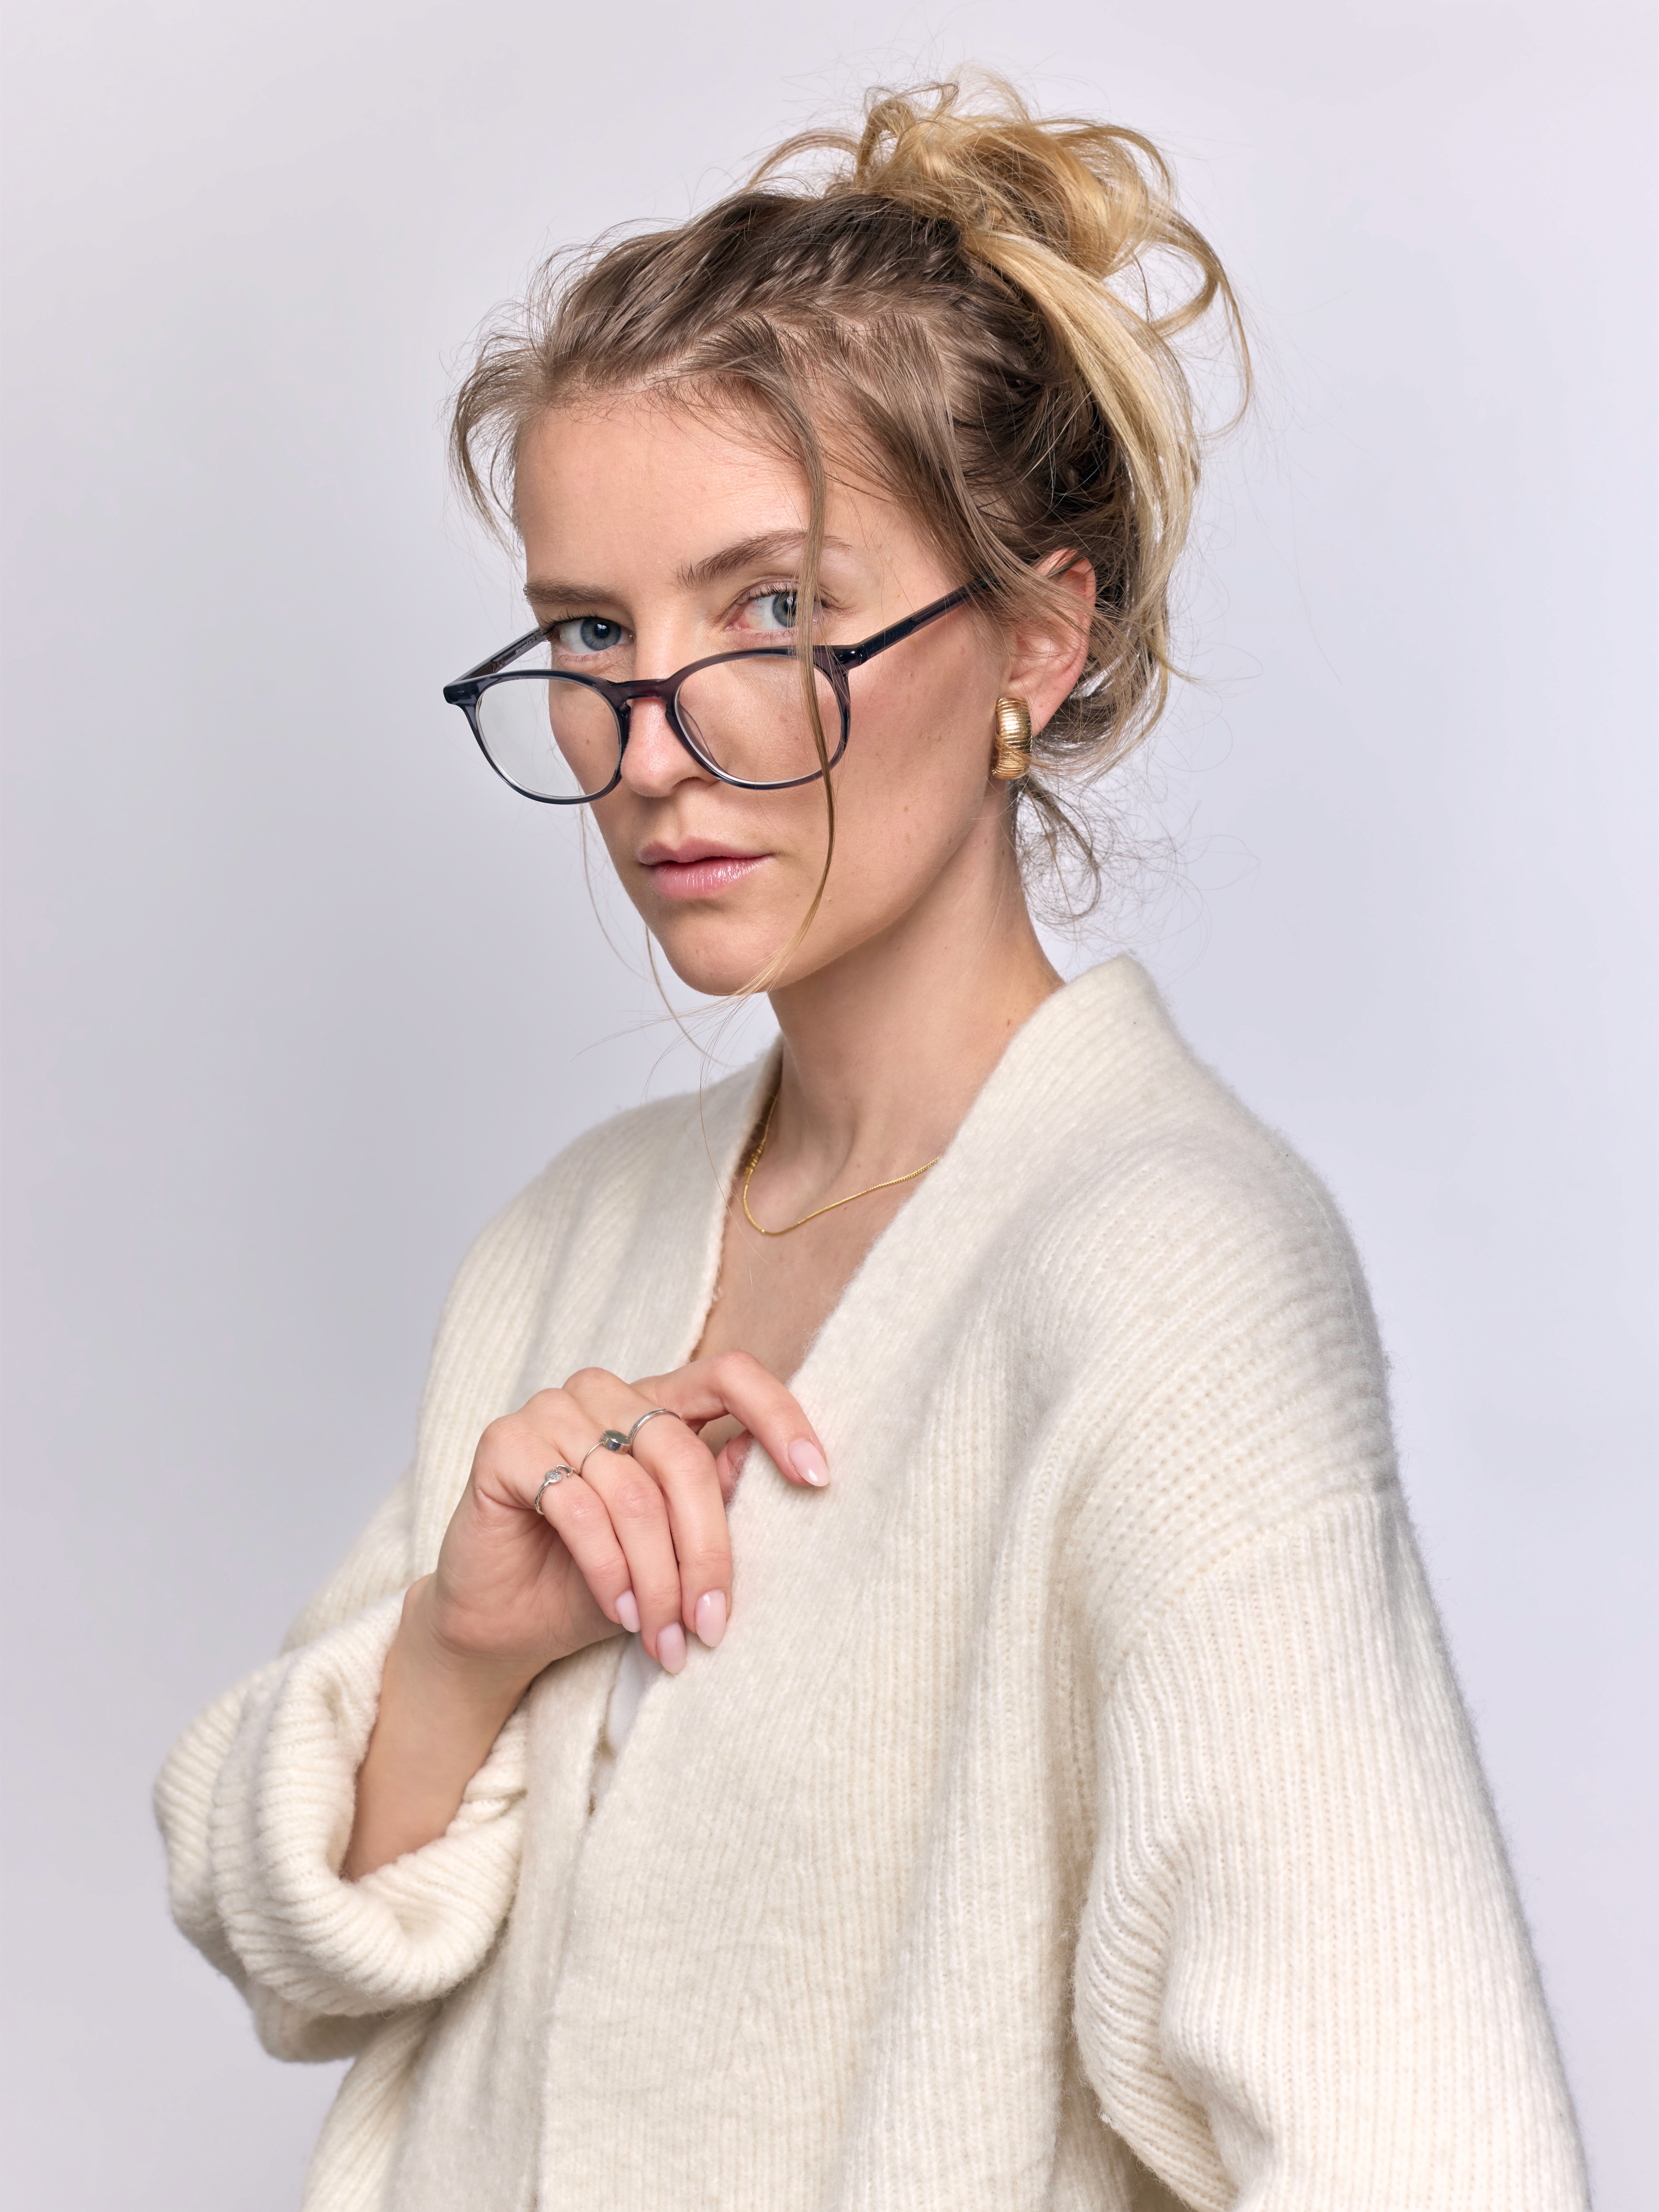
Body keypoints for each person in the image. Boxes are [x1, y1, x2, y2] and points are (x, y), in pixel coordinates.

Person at [155, 79, 1588, 2210]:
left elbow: (1425, 2152)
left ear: (1036, 636)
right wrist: (461, 1650)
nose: (657, 745)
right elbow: (278, 1934)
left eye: (771, 611)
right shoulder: (568, 1239)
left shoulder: (1166, 1272)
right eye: (589, 632)